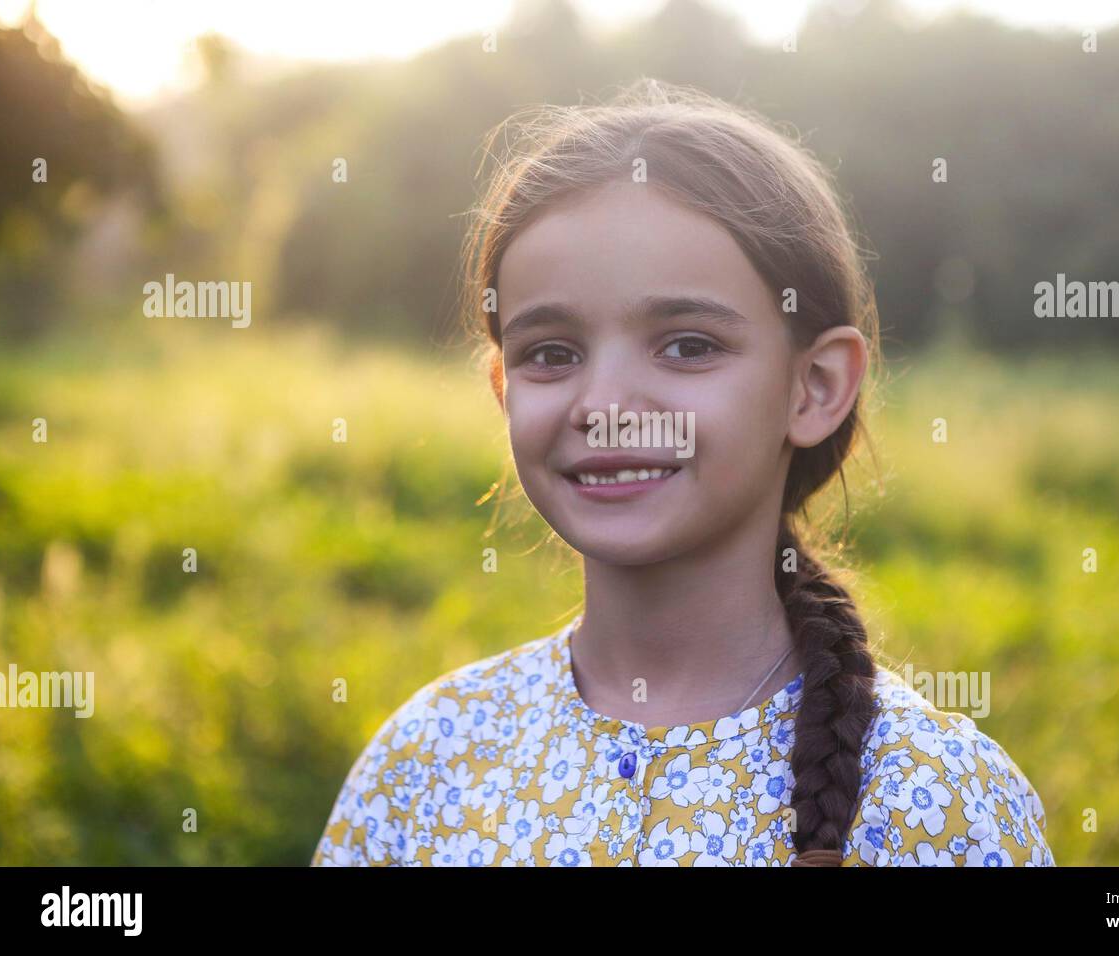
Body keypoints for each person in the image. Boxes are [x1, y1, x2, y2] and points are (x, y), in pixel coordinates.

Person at [311, 77, 1054, 867]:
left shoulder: (940, 804)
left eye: (688, 345)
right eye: (552, 354)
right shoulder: (425, 765)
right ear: (505, 390)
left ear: (817, 386)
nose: (606, 405)